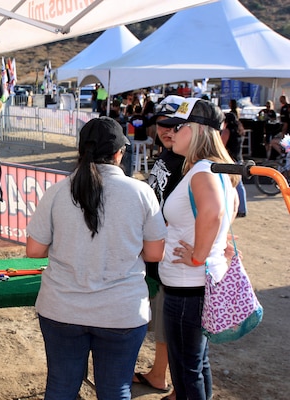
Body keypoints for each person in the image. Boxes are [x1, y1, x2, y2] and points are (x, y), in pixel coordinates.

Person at [26, 117, 167, 400]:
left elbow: (34, 250)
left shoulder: (57, 191)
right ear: (118, 154)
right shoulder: (141, 192)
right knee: (116, 389)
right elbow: (154, 254)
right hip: (122, 311)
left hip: (62, 308)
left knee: (61, 388)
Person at [159, 98, 239, 400]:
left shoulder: (203, 171)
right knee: (196, 363)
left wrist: (197, 256)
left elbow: (214, 212)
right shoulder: (214, 169)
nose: (171, 133)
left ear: (197, 130)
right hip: (199, 283)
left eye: (178, 127)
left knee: (185, 370)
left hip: (188, 286)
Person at [133, 95, 187, 398]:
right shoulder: (167, 154)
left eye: (175, 126)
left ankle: (181, 386)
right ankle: (158, 374)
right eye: (162, 124)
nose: (167, 131)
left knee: (177, 325)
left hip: (175, 255)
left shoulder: (190, 161)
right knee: (164, 321)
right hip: (158, 253)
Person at [221, 112, 248, 217]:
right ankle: (242, 208)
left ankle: (239, 209)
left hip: (230, 160)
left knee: (232, 185)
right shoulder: (240, 131)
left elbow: (221, 145)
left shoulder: (227, 131)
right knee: (239, 185)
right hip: (239, 159)